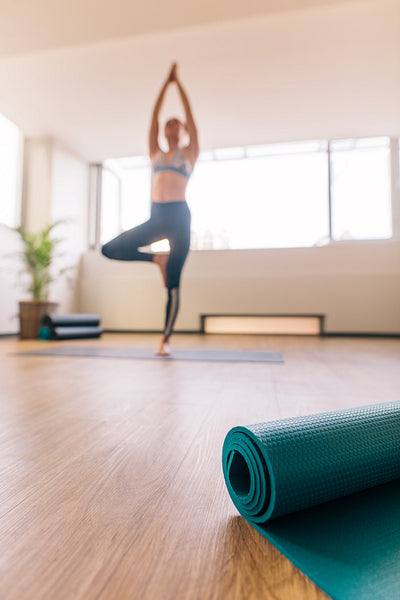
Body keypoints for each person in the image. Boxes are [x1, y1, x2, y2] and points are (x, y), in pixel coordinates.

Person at [102, 63, 199, 355]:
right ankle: (157, 259)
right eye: (168, 125)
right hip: (157, 216)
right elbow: (154, 118)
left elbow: (191, 116)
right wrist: (164, 86)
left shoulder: (189, 153)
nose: (170, 127)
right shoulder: (156, 154)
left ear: (182, 132)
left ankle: (165, 339)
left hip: (179, 217)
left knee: (174, 283)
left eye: (176, 125)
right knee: (110, 249)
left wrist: (178, 85)